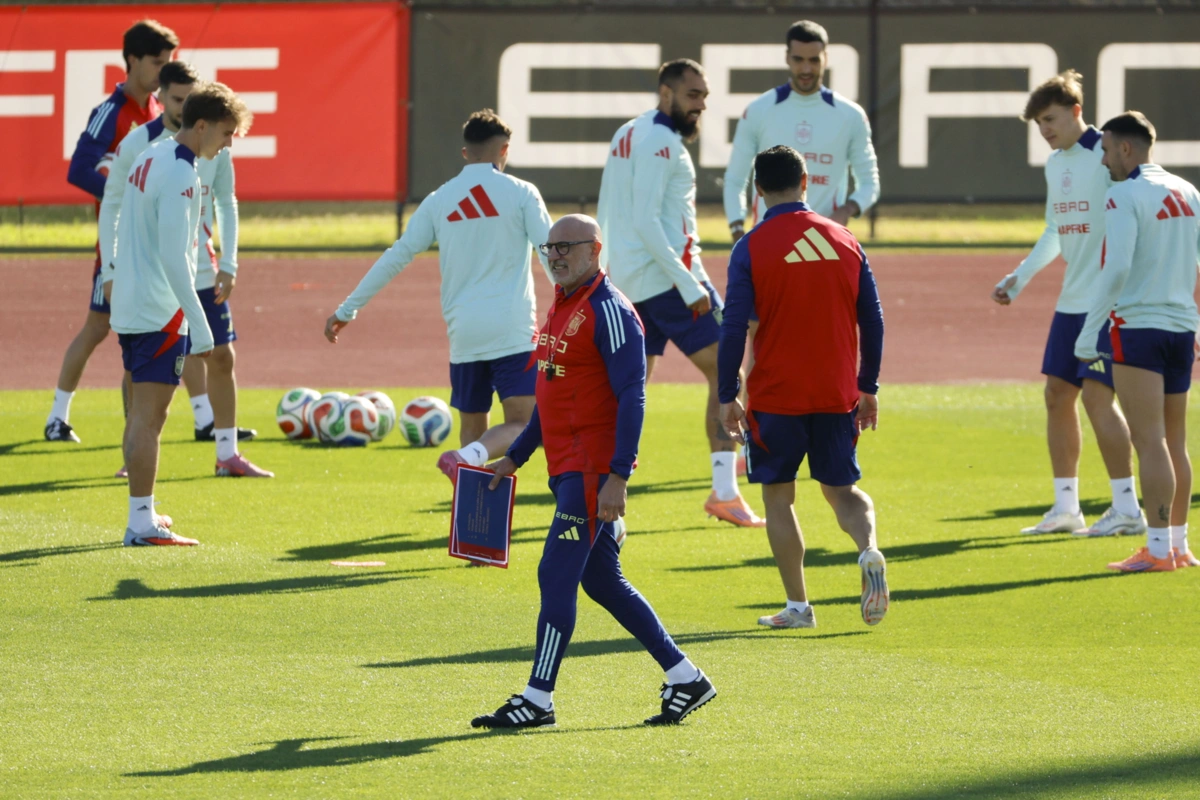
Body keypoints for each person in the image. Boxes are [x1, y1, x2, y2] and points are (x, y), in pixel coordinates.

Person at [472, 215, 716, 729]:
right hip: (568, 468)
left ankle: (537, 698)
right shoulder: (563, 305)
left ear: (595, 250)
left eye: (567, 246)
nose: (555, 256)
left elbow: (633, 396)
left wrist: (618, 476)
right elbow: (551, 394)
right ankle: (685, 676)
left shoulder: (610, 310)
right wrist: (517, 455)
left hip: (591, 472)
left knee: (555, 574)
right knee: (603, 581)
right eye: (549, 248)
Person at [325, 110, 551, 484]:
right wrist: (575, 303)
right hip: (512, 329)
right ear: (504, 150)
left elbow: (397, 256)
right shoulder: (522, 193)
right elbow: (549, 253)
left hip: (463, 333)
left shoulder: (440, 198)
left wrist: (348, 308)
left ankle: (470, 514)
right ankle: (463, 457)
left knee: (474, 427)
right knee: (525, 424)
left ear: (465, 153)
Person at [717, 146, 888, 629]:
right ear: (806, 181)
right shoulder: (845, 239)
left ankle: (798, 607)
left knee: (778, 497)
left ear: (758, 190)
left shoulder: (750, 247)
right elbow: (873, 320)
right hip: (836, 391)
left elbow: (733, 327)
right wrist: (868, 385)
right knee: (843, 491)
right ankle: (868, 550)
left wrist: (727, 393)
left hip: (777, 395)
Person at [597, 59, 764, 528]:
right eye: (693, 95)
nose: (701, 105)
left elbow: (612, 208)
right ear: (666, 93)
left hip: (630, 279)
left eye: (704, 96)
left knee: (631, 389)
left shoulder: (628, 132)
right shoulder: (663, 141)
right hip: (669, 280)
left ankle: (599, 484)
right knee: (728, 372)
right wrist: (690, 285)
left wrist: (608, 271)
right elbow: (648, 220)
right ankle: (725, 491)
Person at [992, 71, 1144, 538]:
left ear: (1077, 111)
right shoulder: (1055, 165)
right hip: (1071, 301)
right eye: (1039, 123)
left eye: (1051, 119)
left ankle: (1127, 508)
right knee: (1057, 395)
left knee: (1098, 397)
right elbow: (1056, 230)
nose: (1045, 130)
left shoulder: (1110, 156)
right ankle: (1066, 509)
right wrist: (1019, 278)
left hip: (1109, 302)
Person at [100, 63, 265, 477]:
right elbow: (113, 205)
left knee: (220, 359)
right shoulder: (147, 148)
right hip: (158, 285)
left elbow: (226, 201)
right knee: (143, 385)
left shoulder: (197, 151)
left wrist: (229, 261)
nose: (183, 105)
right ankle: (136, 472)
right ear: (162, 96)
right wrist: (110, 269)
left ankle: (225, 453)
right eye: (177, 98)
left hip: (197, 271)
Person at [1075, 111, 1200, 572]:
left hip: (1138, 328)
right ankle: (1179, 545)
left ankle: (1158, 549)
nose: (1103, 160)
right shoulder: (1188, 190)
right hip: (1181, 329)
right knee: (1175, 441)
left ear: (1126, 148)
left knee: (1150, 441)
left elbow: (1118, 267)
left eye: (1107, 150)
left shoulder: (1123, 194)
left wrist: (1089, 331)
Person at [45, 19, 177, 445]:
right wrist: (125, 194)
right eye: (157, 62)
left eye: (168, 62)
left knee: (137, 327)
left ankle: (201, 420)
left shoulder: (157, 110)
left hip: (148, 245)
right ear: (132, 60)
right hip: (118, 245)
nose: (163, 70)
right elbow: (79, 170)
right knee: (104, 328)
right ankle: (59, 417)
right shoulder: (111, 112)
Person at [723, 19, 879, 238]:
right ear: (787, 57)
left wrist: (846, 210)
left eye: (814, 60)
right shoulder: (758, 110)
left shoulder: (851, 115)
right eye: (798, 59)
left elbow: (870, 183)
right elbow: (735, 179)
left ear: (826, 58)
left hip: (824, 243)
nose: (806, 69)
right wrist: (737, 229)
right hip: (770, 240)